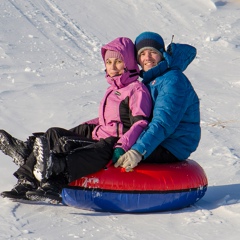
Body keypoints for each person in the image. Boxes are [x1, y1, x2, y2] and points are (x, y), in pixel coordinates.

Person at [0, 37, 152, 202]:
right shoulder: (112, 88)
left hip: (113, 143)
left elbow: (140, 123)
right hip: (100, 135)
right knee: (53, 133)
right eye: (108, 62)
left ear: (128, 63)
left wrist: (122, 146)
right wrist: (84, 127)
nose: (113, 67)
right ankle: (26, 180)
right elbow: (106, 119)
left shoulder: (136, 90)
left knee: (66, 143)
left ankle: (53, 184)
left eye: (118, 61)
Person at [114, 31, 201, 172]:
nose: (147, 57)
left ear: (161, 54)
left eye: (152, 52)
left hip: (172, 145)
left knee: (111, 153)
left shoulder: (173, 80)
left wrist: (138, 150)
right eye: (142, 54)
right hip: (157, 140)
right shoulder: (149, 82)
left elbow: (163, 122)